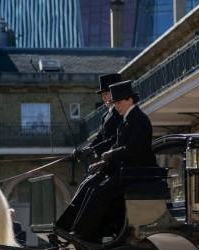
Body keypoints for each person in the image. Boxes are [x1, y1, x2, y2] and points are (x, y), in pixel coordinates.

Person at [63, 80, 158, 241]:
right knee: (91, 185)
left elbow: (132, 149)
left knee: (100, 190)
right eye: (115, 103)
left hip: (136, 174)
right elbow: (117, 144)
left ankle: (85, 233)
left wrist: (111, 154)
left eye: (119, 102)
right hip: (127, 171)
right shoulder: (128, 119)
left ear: (130, 100)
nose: (117, 106)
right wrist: (104, 160)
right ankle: (74, 228)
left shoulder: (139, 119)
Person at [56, 73, 122, 231]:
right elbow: (100, 137)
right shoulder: (106, 115)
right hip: (107, 164)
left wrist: (92, 149)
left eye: (107, 94)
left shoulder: (120, 115)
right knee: (84, 185)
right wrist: (85, 150)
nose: (104, 98)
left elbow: (114, 139)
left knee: (92, 189)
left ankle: (80, 229)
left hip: (115, 165)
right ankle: (64, 226)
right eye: (104, 95)